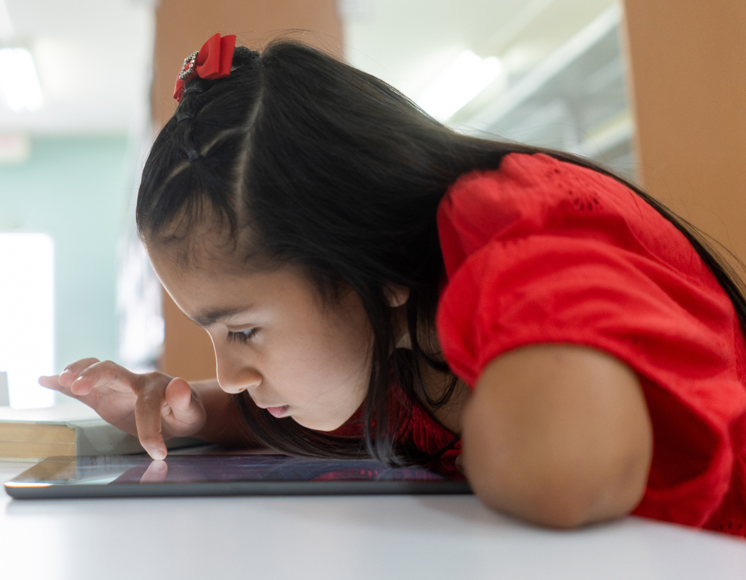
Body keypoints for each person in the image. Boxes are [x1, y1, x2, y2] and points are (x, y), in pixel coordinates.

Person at [39, 33, 746, 535]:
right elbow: (349, 396)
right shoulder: (397, 328)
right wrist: (198, 415)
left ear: (374, 266)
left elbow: (561, 478)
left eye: (244, 330)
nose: (229, 369)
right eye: (213, 335)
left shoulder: (515, 228)